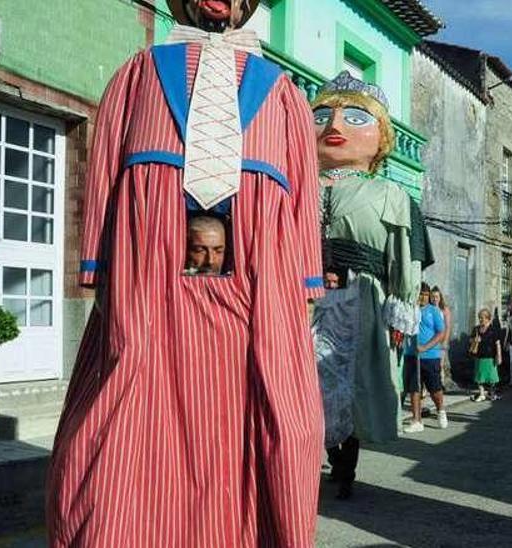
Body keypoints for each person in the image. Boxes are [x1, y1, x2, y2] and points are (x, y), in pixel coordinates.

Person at [49, 1, 325, 545]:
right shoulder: (138, 75)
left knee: (272, 423)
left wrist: (304, 287)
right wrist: (98, 267)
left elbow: (301, 202)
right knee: (126, 420)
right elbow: (103, 168)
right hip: (148, 291)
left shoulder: (286, 96)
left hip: (258, 301)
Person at [310, 71, 432, 500]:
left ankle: (346, 464)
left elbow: (406, 257)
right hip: (301, 302)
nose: (334, 126)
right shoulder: (291, 186)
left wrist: (401, 308)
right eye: (322, 114)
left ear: (381, 138)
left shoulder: (393, 196)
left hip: (361, 301)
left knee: (355, 384)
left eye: (355, 117)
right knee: (304, 384)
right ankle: (312, 456)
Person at [403, 284, 447, 432]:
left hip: (430, 356)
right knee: (414, 387)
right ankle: (417, 420)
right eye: (420, 294)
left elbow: (440, 333)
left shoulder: (433, 311)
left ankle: (440, 410)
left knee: (434, 388)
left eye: (425, 294)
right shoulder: (410, 309)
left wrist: (425, 347)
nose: (422, 297)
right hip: (412, 354)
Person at [469, 308, 504, 402]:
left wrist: (499, 355)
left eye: (483, 318)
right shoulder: (476, 329)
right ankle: (481, 394)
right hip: (479, 356)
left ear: (488, 318)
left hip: (490, 357)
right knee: (479, 377)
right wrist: (475, 340)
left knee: (492, 377)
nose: (481, 320)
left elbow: (498, 343)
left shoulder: (493, 330)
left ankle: (492, 393)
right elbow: (470, 340)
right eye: (480, 318)